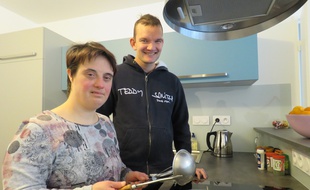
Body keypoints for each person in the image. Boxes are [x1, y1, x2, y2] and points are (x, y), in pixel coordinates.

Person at [2, 42, 149, 190]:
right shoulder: (37, 130)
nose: (100, 84)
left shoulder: (105, 124)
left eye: (107, 77)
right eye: (90, 74)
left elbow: (112, 167)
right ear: (71, 75)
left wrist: (125, 175)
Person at [97, 14, 207, 190]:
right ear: (133, 43)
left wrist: (188, 165)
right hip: (125, 173)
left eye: (158, 41)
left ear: (163, 43)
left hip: (164, 173)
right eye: (144, 40)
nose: (152, 47)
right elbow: (98, 122)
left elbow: (181, 128)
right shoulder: (116, 76)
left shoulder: (172, 82)